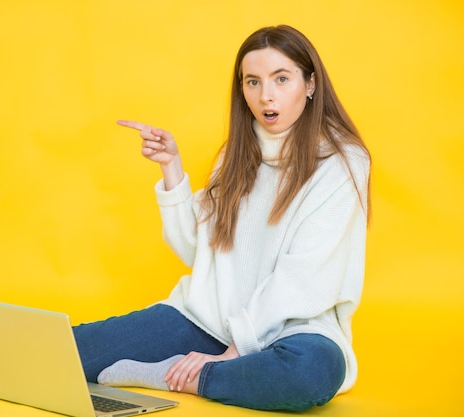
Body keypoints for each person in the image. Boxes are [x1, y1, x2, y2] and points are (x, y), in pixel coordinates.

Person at [72, 24, 371, 412]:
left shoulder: (343, 162)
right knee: (67, 351)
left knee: (312, 372)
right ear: (242, 89)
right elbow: (197, 252)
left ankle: (182, 377)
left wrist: (234, 351)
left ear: (310, 84)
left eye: (282, 79)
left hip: (295, 332)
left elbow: (304, 276)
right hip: (205, 320)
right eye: (253, 82)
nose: (267, 96)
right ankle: (205, 369)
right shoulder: (237, 153)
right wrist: (171, 169)